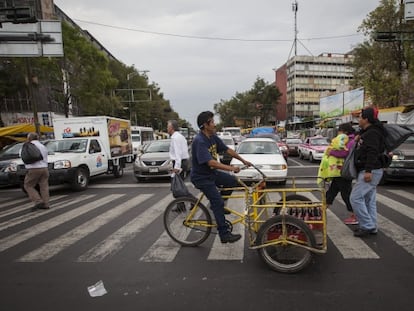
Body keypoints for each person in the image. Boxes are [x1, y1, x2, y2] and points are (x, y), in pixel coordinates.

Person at [191, 111, 252, 243]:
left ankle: (218, 205)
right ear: (205, 125)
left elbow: (227, 150)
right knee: (217, 202)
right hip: (202, 178)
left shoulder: (213, 136)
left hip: (212, 174)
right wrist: (231, 168)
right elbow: (211, 162)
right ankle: (224, 234)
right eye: (212, 122)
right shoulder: (199, 141)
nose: (214, 124)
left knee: (232, 181)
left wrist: (243, 160)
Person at [350, 107, 385, 237]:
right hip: (372, 170)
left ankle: (367, 225)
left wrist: (368, 171)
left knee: (355, 198)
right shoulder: (370, 131)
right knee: (369, 200)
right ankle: (372, 226)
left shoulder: (372, 133)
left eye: (360, 117)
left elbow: (372, 152)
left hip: (370, 170)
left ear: (366, 119)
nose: (359, 120)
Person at [319, 123, 357, 224]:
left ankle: (355, 215)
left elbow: (345, 153)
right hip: (338, 171)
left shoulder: (350, 141)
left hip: (344, 172)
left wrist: (331, 152)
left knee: (346, 194)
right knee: (332, 192)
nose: (338, 133)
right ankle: (322, 211)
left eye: (339, 131)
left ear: (345, 131)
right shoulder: (345, 139)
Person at [23, 132, 50, 210]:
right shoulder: (43, 146)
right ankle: (46, 204)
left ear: (29, 138)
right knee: (44, 186)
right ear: (37, 138)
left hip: (33, 168)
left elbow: (23, 156)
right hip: (44, 168)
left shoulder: (27, 146)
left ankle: (38, 201)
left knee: (28, 185)